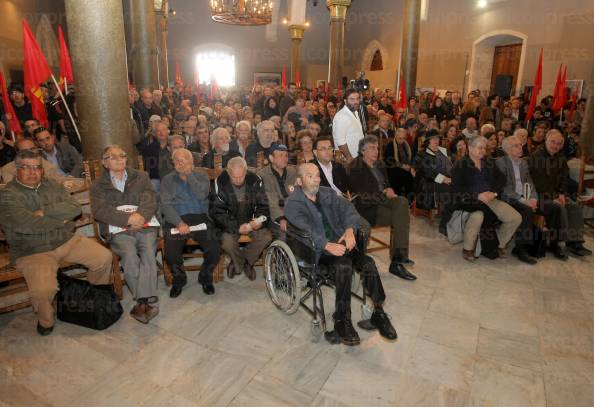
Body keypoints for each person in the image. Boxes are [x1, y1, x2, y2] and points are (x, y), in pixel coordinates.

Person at [0, 149, 112, 335]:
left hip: (66, 240)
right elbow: (25, 224)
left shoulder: (51, 184)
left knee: (103, 258)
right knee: (44, 290)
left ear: (42, 170)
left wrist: (43, 212)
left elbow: (74, 208)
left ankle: (91, 298)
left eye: (37, 168)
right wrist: (60, 220)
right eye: (26, 168)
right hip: (33, 250)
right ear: (16, 170)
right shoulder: (7, 195)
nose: (32, 172)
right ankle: (46, 320)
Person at [284, 163, 397, 346]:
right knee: (344, 267)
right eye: (310, 176)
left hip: (340, 243)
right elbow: (304, 230)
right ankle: (342, 320)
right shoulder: (293, 203)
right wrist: (326, 244)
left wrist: (350, 229)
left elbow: (349, 210)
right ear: (299, 181)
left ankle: (378, 312)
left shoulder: (327, 193)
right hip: (316, 251)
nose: (316, 179)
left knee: (367, 263)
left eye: (318, 175)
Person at [91, 145, 160, 324]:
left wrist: (141, 216)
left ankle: (141, 301)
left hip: (144, 226)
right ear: (105, 163)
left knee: (148, 253)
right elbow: (100, 211)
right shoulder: (98, 185)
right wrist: (128, 218)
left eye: (122, 155)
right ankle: (145, 298)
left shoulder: (141, 176)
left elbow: (150, 200)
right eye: (113, 157)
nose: (119, 159)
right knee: (129, 255)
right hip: (119, 229)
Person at [349, 135, 416, 281]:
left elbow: (386, 184)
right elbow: (362, 194)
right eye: (372, 148)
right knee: (401, 218)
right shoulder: (356, 166)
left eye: (377, 148)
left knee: (402, 202)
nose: (376, 151)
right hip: (368, 207)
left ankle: (398, 258)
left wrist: (389, 190)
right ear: (363, 151)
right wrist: (384, 193)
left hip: (383, 200)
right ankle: (398, 260)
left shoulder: (379, 164)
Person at [160, 148, 222, 297]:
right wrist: (179, 222)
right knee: (171, 252)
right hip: (176, 218)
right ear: (173, 163)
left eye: (185, 160)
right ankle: (179, 279)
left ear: (192, 162)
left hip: (200, 217)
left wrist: (189, 175)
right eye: (178, 161)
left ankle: (205, 277)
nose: (181, 164)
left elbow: (201, 195)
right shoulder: (167, 180)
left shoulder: (201, 176)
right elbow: (166, 205)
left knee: (214, 248)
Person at [450, 135, 522, 261]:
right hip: (470, 201)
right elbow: (457, 189)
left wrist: (493, 193)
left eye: (484, 148)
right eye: (480, 147)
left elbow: (501, 180)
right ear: (470, 148)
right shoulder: (460, 165)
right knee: (478, 216)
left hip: (490, 198)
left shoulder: (488, 162)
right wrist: (477, 195)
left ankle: (497, 245)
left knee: (515, 218)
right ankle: (468, 248)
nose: (483, 150)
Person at [528, 129, 592, 258]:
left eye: (558, 143)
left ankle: (575, 242)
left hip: (556, 194)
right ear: (546, 140)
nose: (555, 146)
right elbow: (539, 183)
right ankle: (556, 243)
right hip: (538, 195)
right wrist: (554, 197)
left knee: (574, 207)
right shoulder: (536, 156)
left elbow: (564, 177)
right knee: (559, 208)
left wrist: (562, 193)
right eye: (553, 142)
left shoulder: (560, 157)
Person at [209, 156, 272, 280]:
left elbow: (263, 206)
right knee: (227, 243)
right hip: (229, 222)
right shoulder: (219, 183)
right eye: (234, 177)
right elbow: (217, 213)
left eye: (241, 176)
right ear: (228, 171)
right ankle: (242, 263)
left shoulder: (255, 181)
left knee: (266, 237)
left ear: (246, 171)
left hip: (250, 220)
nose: (238, 180)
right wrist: (237, 228)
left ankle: (245, 262)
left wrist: (259, 220)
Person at [495, 135, 540, 264]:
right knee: (526, 211)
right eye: (516, 145)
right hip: (509, 198)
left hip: (525, 197)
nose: (520, 147)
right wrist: (524, 201)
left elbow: (529, 182)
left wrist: (533, 199)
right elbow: (505, 188)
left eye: (520, 145)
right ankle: (521, 249)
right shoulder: (501, 163)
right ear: (508, 149)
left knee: (552, 207)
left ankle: (555, 245)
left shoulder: (523, 162)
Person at [259, 144, 297, 234]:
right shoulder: (263, 175)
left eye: (286, 156)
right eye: (280, 155)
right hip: (274, 213)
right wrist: (281, 218)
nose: (285, 159)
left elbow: (298, 194)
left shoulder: (292, 171)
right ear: (271, 158)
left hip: (293, 211)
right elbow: (271, 199)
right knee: (284, 235)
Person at [1, 138, 66, 184]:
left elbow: (59, 181)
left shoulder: (46, 165)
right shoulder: (7, 169)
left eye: (32, 149)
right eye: (25, 150)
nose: (30, 153)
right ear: (17, 152)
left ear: (37, 149)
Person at [136, 121, 173, 192]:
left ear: (168, 131)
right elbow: (150, 167)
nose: (161, 133)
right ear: (155, 134)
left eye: (163, 130)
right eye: (158, 131)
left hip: (172, 177)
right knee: (153, 186)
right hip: (156, 179)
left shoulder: (173, 146)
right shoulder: (150, 149)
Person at [332, 89, 365, 163]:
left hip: (358, 156)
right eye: (352, 99)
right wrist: (349, 158)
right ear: (345, 101)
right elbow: (340, 141)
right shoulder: (341, 116)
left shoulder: (355, 112)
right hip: (349, 159)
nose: (356, 102)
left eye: (357, 99)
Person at [383, 127, 415, 200]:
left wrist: (411, 167)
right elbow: (389, 160)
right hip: (394, 169)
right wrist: (402, 166)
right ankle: (398, 201)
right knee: (403, 177)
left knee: (413, 177)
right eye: (400, 138)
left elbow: (412, 157)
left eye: (404, 138)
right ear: (396, 136)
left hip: (406, 168)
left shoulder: (407, 145)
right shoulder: (390, 145)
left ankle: (409, 202)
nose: (402, 140)